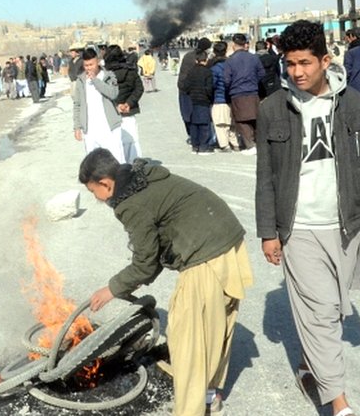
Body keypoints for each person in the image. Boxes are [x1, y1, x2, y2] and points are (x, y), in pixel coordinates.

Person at [255, 19, 360, 416]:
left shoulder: (352, 104)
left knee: (333, 310)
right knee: (319, 315)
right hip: (297, 229)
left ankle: (309, 366)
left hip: (344, 224)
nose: (297, 72)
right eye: (290, 63)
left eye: (305, 63)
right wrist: (269, 232)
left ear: (325, 60)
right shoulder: (271, 109)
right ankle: (339, 403)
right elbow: (265, 177)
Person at [81, 148, 253, 416]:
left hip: (205, 253)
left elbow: (145, 263)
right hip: (227, 237)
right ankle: (211, 394)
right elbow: (156, 250)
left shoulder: (130, 203)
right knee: (217, 328)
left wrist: (112, 289)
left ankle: (191, 409)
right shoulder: (141, 176)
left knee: (188, 339)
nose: (96, 198)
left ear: (106, 183)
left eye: (94, 192)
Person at [73, 47, 125, 163]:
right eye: (86, 65)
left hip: (109, 127)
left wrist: (96, 80)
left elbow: (113, 94)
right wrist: (77, 127)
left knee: (117, 160)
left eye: (91, 65)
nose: (88, 68)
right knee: (94, 164)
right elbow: (77, 104)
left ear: (97, 61)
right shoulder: (80, 81)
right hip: (90, 129)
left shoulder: (108, 76)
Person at [224, 33, 265, 156]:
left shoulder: (230, 61)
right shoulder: (254, 58)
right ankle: (259, 143)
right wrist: (253, 82)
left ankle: (250, 145)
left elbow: (226, 79)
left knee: (241, 120)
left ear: (233, 45)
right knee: (255, 119)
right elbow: (262, 73)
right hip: (253, 92)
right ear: (245, 44)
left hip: (237, 93)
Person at [105, 45, 144, 162]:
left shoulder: (105, 75)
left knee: (114, 144)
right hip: (129, 112)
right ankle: (135, 167)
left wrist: (116, 106)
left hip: (111, 114)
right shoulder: (131, 71)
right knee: (132, 142)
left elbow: (104, 94)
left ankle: (119, 169)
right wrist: (128, 104)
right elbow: (139, 89)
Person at [181, 50, 215, 154]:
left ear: (196, 60)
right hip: (204, 101)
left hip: (192, 101)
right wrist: (210, 98)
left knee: (194, 124)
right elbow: (210, 88)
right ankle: (203, 147)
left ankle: (195, 146)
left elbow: (185, 86)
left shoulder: (191, 72)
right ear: (206, 60)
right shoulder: (208, 72)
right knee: (204, 124)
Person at [178, 38, 210, 144]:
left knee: (187, 115)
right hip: (194, 92)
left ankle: (193, 137)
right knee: (198, 116)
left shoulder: (188, 55)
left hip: (184, 89)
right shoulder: (203, 58)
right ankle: (199, 140)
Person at [209, 41, 238, 152]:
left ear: (215, 52)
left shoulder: (214, 68)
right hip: (233, 98)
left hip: (219, 98)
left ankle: (224, 145)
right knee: (232, 123)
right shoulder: (232, 64)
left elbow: (213, 84)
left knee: (220, 124)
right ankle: (235, 143)